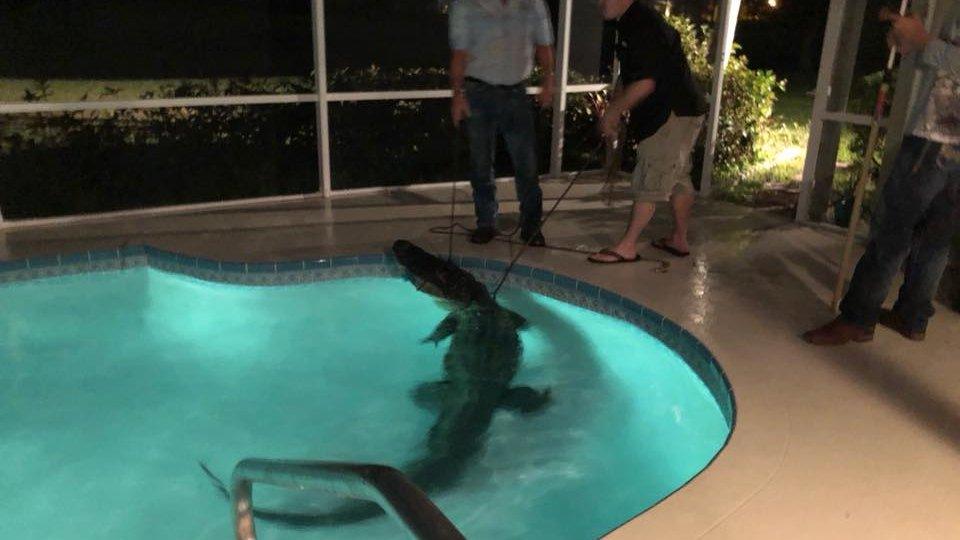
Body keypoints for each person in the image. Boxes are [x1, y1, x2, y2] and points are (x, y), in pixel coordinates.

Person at [804, 5, 960, 345]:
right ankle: (912, 316)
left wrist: (923, 41)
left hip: (935, 141)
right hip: (943, 139)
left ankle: (859, 318)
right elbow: (947, 63)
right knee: (935, 237)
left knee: (893, 231)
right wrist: (915, 45)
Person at [587, 0, 709, 264]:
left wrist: (613, 112)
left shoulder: (642, 24)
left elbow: (645, 83)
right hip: (685, 109)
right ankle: (679, 238)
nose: (598, 2)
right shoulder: (632, 22)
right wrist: (617, 105)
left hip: (671, 113)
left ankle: (627, 246)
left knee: (650, 177)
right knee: (678, 177)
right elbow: (631, 74)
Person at [448, 0, 556, 246]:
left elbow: (544, 44)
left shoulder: (532, 4)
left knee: (527, 165)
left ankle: (531, 226)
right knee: (480, 163)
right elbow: (459, 54)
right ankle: (486, 222)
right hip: (477, 91)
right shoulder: (466, 5)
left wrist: (548, 80)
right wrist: (457, 94)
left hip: (516, 92)